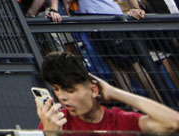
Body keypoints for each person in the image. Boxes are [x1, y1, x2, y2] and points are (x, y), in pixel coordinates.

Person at [35, 51, 179, 132]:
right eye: (56, 90)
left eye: (70, 90)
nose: (62, 97)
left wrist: (114, 92)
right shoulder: (56, 124)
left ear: (93, 90)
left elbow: (174, 122)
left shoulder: (120, 120)